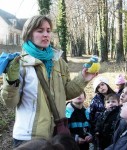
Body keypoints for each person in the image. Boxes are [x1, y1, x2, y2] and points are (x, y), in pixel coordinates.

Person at [0, 15, 96, 148]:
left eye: (48, 30)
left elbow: (66, 93)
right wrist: (11, 81)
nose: (46, 34)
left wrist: (83, 78)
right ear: (29, 34)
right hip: (29, 137)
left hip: (56, 135)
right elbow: (10, 102)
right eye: (40, 31)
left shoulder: (58, 62)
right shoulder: (18, 63)